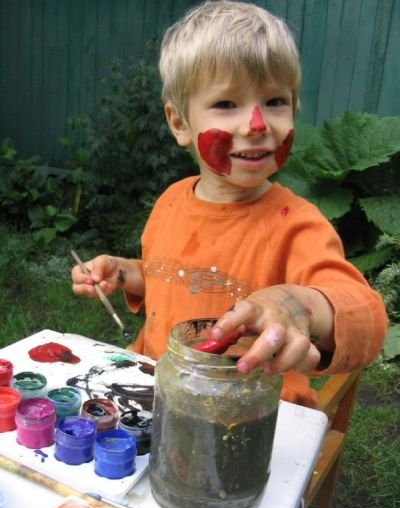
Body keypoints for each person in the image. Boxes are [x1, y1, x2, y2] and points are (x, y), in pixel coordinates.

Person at [72, 1, 387, 417]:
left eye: (275, 101)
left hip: (251, 415)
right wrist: (123, 272)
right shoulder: (171, 202)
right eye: (226, 104)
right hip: (157, 388)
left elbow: (366, 315)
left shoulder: (298, 225)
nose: (257, 124)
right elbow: (175, 279)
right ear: (179, 123)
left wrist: (295, 304)